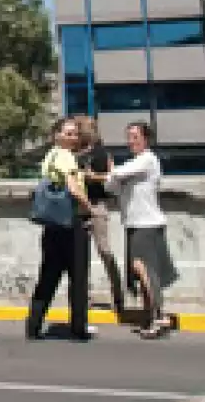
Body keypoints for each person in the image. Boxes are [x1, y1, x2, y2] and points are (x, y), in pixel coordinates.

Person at [108, 122, 179, 340]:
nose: (130, 141)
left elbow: (115, 173)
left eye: (135, 136)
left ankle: (159, 316)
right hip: (134, 223)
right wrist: (112, 175)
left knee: (145, 270)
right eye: (128, 137)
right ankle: (151, 316)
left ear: (145, 139)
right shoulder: (134, 163)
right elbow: (111, 186)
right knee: (142, 272)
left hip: (147, 224)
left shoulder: (148, 159)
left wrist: (111, 171)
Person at [25, 117, 94, 341]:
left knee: (48, 275)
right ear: (57, 135)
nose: (72, 137)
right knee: (78, 277)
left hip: (53, 225)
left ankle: (33, 324)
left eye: (74, 133)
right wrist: (89, 208)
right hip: (71, 223)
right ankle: (78, 328)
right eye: (68, 133)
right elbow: (73, 189)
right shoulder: (66, 157)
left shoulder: (50, 156)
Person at [75, 116, 125, 317]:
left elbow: (112, 177)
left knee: (104, 250)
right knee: (79, 254)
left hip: (97, 205)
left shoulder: (102, 153)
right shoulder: (73, 154)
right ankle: (81, 296)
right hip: (78, 207)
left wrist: (91, 176)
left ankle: (118, 295)